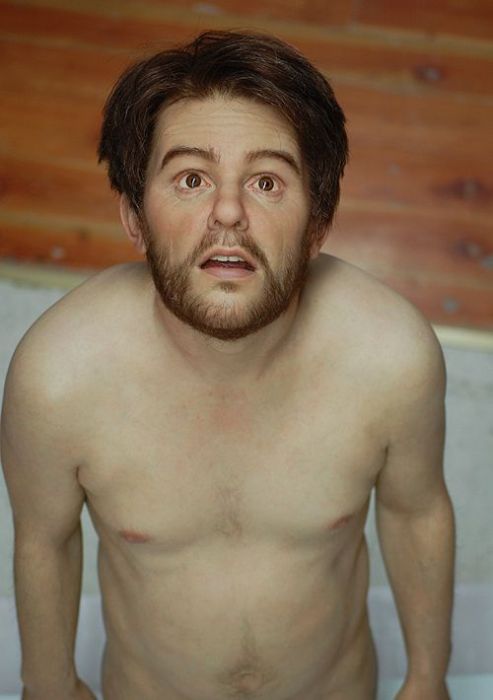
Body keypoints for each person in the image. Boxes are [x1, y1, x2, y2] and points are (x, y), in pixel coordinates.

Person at [1, 29, 455, 700]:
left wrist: (426, 679)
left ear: (318, 223)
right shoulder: (57, 377)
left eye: (266, 182)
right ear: (134, 217)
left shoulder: (391, 356)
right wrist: (47, 686)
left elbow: (416, 512)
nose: (228, 212)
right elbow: (44, 540)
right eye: (191, 179)